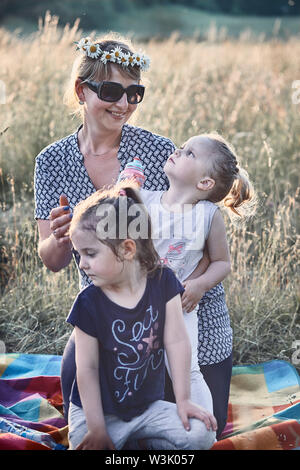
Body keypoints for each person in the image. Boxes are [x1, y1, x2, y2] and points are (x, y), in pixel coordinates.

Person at [34, 34, 178, 420]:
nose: (124, 104)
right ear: (82, 90)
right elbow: (50, 259)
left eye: (135, 93)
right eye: (112, 90)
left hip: (155, 305)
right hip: (97, 309)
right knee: (82, 409)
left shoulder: (159, 151)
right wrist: (62, 237)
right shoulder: (52, 161)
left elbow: (181, 233)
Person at [66, 184, 217, 450]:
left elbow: (178, 342)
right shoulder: (88, 303)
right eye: (79, 254)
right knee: (83, 443)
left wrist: (183, 400)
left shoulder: (163, 282)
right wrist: (98, 429)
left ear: (127, 249)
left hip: (147, 408)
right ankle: (127, 441)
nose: (82, 264)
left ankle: (141, 440)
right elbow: (86, 369)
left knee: (201, 434)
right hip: (100, 414)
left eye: (90, 253)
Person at [134, 132, 256, 439]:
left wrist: (199, 285)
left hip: (180, 306)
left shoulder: (207, 215)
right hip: (136, 307)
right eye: (183, 147)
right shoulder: (144, 200)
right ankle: (133, 431)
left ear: (204, 184)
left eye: (189, 153)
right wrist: (124, 189)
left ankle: (204, 436)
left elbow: (222, 262)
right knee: (135, 369)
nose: (178, 150)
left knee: (187, 371)